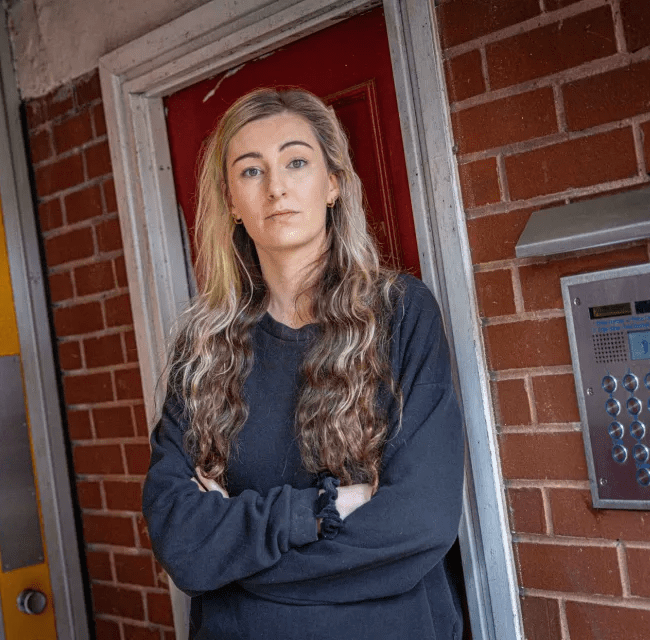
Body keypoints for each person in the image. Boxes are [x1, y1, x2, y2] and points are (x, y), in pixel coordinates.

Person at [142, 87, 465, 640]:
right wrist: (318, 512)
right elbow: (182, 541)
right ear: (232, 202)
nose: (276, 187)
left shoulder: (399, 314)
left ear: (333, 183)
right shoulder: (203, 346)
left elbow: (419, 522)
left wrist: (241, 564)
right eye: (250, 171)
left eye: (296, 161)